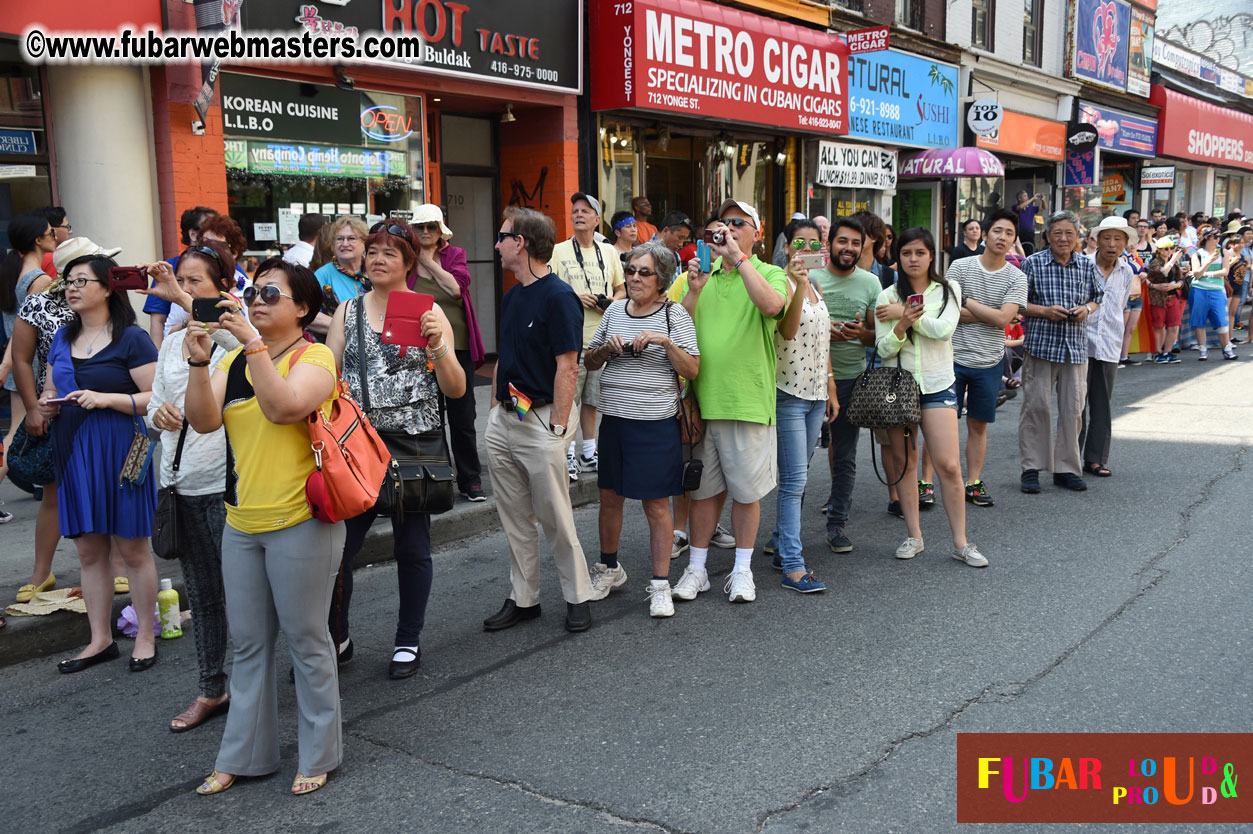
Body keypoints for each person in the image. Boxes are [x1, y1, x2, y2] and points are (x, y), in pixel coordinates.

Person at [183, 258, 345, 797]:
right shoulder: (233, 360)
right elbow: (203, 421)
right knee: (249, 645)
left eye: (271, 294)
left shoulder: (314, 357)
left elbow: (284, 408)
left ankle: (319, 753)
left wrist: (251, 344)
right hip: (242, 521)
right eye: (254, 291)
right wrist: (199, 363)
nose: (256, 300)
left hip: (302, 519)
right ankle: (243, 755)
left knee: (307, 639)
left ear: (303, 309)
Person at [325, 222, 465, 678]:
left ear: (409, 262)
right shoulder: (347, 311)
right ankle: (337, 637)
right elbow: (328, 377)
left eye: (390, 252)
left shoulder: (428, 311)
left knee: (412, 547)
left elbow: (456, 388)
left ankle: (408, 639)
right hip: (357, 446)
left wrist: (438, 344)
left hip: (414, 443)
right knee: (338, 551)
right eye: (373, 251)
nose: (378, 259)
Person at [39, 254, 159, 672]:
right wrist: (47, 403)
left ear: (108, 288)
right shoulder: (62, 336)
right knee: (89, 551)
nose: (71, 289)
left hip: (123, 447)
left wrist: (105, 399)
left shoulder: (132, 338)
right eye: (68, 282)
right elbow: (50, 388)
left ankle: (145, 635)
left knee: (133, 547)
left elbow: (155, 398)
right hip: (73, 449)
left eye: (81, 281)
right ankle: (100, 639)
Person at [140, 240, 239, 730]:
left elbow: (241, 353)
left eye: (195, 281)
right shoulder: (170, 340)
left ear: (222, 287)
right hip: (178, 483)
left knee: (244, 593)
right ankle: (211, 688)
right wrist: (157, 415)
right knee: (202, 595)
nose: (182, 289)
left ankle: (254, 682)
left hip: (223, 484)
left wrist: (182, 298)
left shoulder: (234, 334)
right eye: (181, 280)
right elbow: (153, 407)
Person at [483, 207, 595, 633]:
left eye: (502, 236)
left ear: (521, 243)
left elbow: (568, 365)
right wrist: (494, 409)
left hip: (542, 420)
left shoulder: (559, 297)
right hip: (505, 418)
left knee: (555, 517)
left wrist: (558, 429)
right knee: (514, 517)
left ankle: (578, 595)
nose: (496, 244)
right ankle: (524, 598)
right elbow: (504, 357)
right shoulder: (513, 296)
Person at [672, 198, 787, 605]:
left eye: (739, 223)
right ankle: (697, 569)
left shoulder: (769, 272)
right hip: (702, 404)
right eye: (723, 222)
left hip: (746, 401)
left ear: (757, 232)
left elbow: (773, 306)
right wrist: (694, 290)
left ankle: (742, 570)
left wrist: (738, 259)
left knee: (745, 493)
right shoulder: (697, 275)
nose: (729, 229)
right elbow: (676, 327)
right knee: (702, 493)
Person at [582, 241, 699, 616]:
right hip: (614, 421)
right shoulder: (615, 310)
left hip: (655, 424)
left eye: (643, 272)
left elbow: (693, 369)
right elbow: (590, 361)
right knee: (609, 498)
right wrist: (605, 350)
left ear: (661, 279)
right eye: (630, 270)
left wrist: (665, 343)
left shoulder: (674, 315)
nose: (634, 278)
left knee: (656, 504)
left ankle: (661, 585)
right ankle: (609, 569)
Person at [874, 228, 986, 567]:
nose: (913, 259)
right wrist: (899, 325)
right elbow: (883, 349)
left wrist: (905, 316)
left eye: (920, 253)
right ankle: (914, 535)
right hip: (899, 387)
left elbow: (943, 330)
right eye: (906, 253)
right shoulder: (886, 295)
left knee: (949, 465)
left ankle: (961, 542)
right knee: (905, 464)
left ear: (932, 255)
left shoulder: (948, 289)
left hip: (938, 384)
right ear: (898, 257)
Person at [10, 239, 111, 602]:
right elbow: (21, 358)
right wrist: (32, 407)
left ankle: (113, 567)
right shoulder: (38, 304)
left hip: (107, 405)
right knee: (54, 491)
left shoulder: (111, 299)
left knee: (108, 486)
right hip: (58, 408)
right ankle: (42, 571)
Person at [917, 209, 1026, 510]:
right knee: (938, 423)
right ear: (985, 234)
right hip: (949, 358)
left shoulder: (1017, 277)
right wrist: (994, 314)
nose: (1002, 237)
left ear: (1014, 240)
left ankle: (973, 482)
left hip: (989, 361)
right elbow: (947, 311)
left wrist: (968, 302)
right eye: (997, 231)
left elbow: (1003, 319)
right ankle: (925, 482)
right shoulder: (961, 266)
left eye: (1009, 233)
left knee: (979, 424)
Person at [767, 220, 836, 592]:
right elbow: (788, 331)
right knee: (794, 481)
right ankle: (793, 566)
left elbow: (824, 342)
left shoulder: (817, 286)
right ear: (787, 247)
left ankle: (781, 543)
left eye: (813, 242)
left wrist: (830, 388)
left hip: (816, 395)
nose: (806, 249)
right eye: (799, 243)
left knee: (800, 475)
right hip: (788, 394)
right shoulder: (781, 283)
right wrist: (798, 283)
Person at [1018, 211, 1104, 494]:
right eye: (1057, 233)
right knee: (1036, 408)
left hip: (1075, 349)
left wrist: (1086, 309)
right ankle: (1031, 468)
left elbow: (1097, 298)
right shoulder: (1033, 263)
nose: (1063, 238)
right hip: (1041, 347)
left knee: (1073, 411)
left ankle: (1066, 469)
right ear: (1047, 236)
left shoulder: (1086, 265)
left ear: (1078, 235)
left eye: (1069, 233)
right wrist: (1044, 311)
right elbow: (1017, 303)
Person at [408, 204, 487, 502]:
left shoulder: (455, 255)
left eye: (432, 226)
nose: (426, 232)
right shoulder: (406, 259)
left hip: (458, 347)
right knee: (430, 416)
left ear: (441, 230)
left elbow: (456, 289)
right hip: (419, 349)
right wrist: (416, 259)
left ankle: (471, 479)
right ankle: (440, 478)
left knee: (462, 416)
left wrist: (427, 262)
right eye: (420, 227)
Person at [809, 217, 879, 552]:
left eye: (855, 243)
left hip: (852, 379)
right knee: (797, 461)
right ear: (829, 244)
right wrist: (824, 333)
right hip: (806, 379)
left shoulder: (870, 283)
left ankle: (837, 524)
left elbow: (879, 336)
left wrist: (860, 334)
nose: (849, 248)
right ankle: (783, 532)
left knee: (845, 456)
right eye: (843, 241)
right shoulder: (811, 278)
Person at [548, 192, 625, 480]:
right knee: (568, 399)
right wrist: (574, 298)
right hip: (570, 339)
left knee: (592, 399)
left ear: (596, 219)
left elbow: (622, 289)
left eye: (585, 211)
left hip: (601, 339)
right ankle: (566, 453)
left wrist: (611, 301)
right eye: (575, 211)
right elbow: (549, 289)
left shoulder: (609, 252)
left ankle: (589, 452)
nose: (578, 215)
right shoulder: (558, 251)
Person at [1, 214, 58, 506]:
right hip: (30, 365)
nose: (55, 236)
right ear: (38, 240)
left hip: (19, 364)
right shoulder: (40, 279)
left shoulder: (14, 272)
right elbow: (25, 330)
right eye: (50, 232)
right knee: (16, 434)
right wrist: (6, 363)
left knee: (14, 432)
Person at [1078, 218, 1138, 478]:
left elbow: (1120, 305)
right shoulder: (1082, 265)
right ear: (1097, 240)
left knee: (1102, 404)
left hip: (1110, 343)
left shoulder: (1127, 271)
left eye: (1118, 239)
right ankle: (1070, 459)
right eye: (1107, 238)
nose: (1112, 244)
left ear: (1125, 243)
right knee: (1076, 405)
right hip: (1080, 343)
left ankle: (1095, 459)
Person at [163, 214, 252, 337]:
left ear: (234, 253)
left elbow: (255, 338)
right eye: (204, 244)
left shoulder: (250, 290)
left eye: (218, 245)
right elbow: (168, 335)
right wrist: (188, 321)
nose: (210, 250)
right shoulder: (186, 290)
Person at [144, 206, 216, 347]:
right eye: (211, 228)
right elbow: (158, 320)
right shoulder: (167, 268)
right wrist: (158, 355)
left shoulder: (228, 266)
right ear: (193, 234)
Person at [312, 216, 370, 337]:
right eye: (339, 239)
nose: (345, 244)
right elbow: (308, 314)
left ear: (364, 243)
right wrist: (350, 327)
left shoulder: (374, 271)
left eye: (351, 238)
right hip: (335, 344)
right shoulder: (323, 275)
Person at [1188, 230, 1237, 361]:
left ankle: (1227, 348)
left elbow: (1225, 271)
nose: (1217, 239)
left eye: (1219, 236)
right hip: (1199, 290)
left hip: (1217, 290)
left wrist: (1207, 274)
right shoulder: (1197, 254)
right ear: (1207, 237)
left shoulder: (1223, 252)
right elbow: (1196, 274)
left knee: (1221, 321)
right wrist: (1208, 262)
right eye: (1215, 236)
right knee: (1199, 321)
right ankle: (1203, 349)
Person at [1146, 238, 1185, 364]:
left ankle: (1167, 351)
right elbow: (1162, 272)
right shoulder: (1154, 262)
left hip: (1172, 297)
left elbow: (1181, 280)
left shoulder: (1175, 264)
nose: (1169, 251)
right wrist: (1173, 260)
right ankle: (1157, 352)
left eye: (1171, 248)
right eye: (1166, 249)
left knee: (1174, 325)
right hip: (1158, 299)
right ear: (1159, 250)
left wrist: (1176, 285)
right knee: (1158, 326)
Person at [33, 206, 72, 278]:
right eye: (67, 227)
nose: (70, 231)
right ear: (52, 230)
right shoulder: (52, 259)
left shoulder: (25, 256)